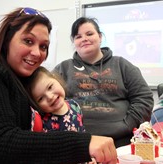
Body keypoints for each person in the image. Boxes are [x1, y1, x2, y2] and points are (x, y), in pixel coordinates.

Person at [0, 8, 117, 164]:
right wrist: (83, 144)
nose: (37, 53)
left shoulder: (20, 83)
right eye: (28, 41)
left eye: (43, 46)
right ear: (6, 38)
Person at [53, 17, 154, 148]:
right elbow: (48, 98)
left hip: (121, 142)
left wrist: (127, 125)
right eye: (78, 36)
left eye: (89, 34)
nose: (84, 39)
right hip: (78, 144)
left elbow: (144, 97)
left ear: (100, 37)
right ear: (74, 42)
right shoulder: (63, 68)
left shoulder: (121, 64)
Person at [24, 66, 97, 164]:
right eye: (40, 99)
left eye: (50, 87)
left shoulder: (74, 106)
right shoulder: (41, 121)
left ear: (56, 79)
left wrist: (89, 158)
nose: (49, 97)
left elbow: (83, 137)